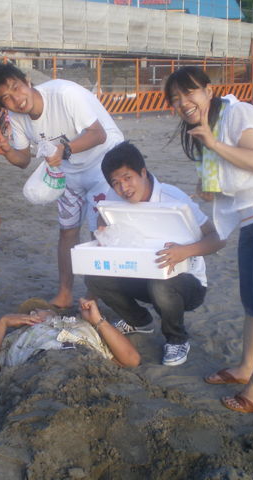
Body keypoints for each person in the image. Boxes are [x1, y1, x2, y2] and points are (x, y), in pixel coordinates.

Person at [164, 66, 253, 413]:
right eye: (175, 99)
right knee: (252, 301)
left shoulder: (238, 112)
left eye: (189, 93)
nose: (183, 103)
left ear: (208, 90)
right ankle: (247, 367)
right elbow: (226, 181)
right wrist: (207, 188)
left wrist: (213, 144)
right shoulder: (206, 130)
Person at [0, 63, 123, 312]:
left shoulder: (64, 94)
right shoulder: (17, 117)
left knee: (98, 231)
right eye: (6, 98)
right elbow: (23, 160)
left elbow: (98, 134)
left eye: (16, 87)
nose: (16, 99)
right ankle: (65, 293)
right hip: (67, 168)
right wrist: (6, 150)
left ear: (27, 81)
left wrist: (64, 149)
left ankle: (93, 295)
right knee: (67, 230)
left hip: (104, 162)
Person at [85, 141, 225, 366]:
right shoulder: (113, 197)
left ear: (143, 172)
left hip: (186, 282)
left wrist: (184, 251)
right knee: (94, 277)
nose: (123, 188)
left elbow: (218, 238)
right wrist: (103, 230)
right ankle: (138, 321)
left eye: (127, 178)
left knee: (161, 282)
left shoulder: (173, 197)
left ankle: (177, 338)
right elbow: (102, 221)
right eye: (116, 183)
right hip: (139, 273)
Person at [0, 298, 141, 378]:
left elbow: (132, 359)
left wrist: (97, 321)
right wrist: (3, 323)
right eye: (27, 314)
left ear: (53, 313)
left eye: (36, 310)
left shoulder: (84, 325)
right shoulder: (17, 336)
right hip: (38, 369)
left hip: (85, 364)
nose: (31, 314)